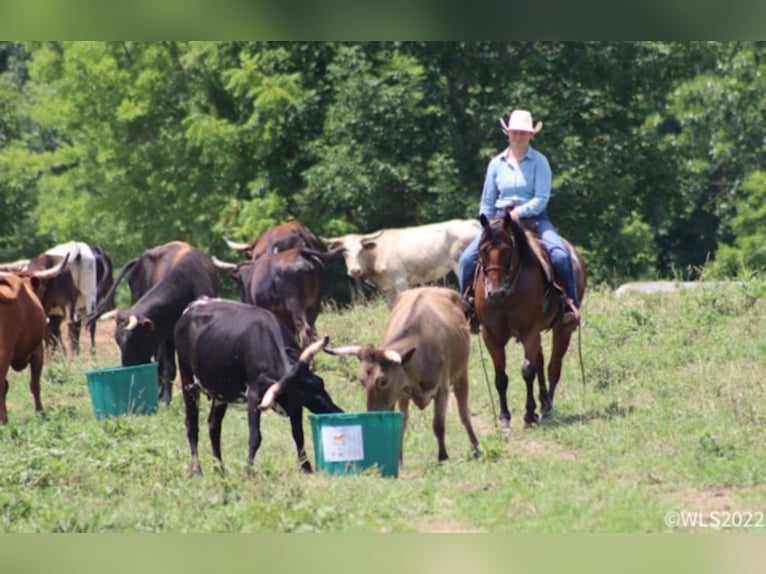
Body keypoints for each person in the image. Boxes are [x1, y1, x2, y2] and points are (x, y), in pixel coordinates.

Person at [458, 108, 580, 332]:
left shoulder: (540, 162)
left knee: (560, 255)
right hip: (498, 221)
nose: (518, 136)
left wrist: (518, 213)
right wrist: (487, 223)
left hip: (533, 218)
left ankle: (569, 306)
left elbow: (541, 198)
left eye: (523, 133)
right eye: (514, 132)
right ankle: (467, 309)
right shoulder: (496, 163)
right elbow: (487, 200)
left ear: (531, 135)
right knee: (466, 259)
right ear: (508, 133)